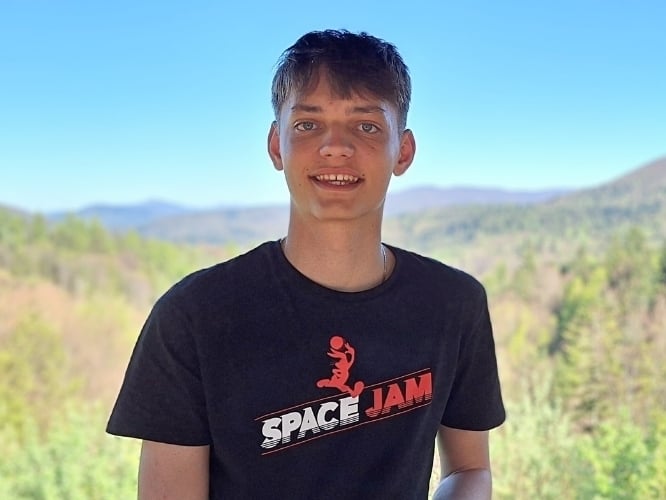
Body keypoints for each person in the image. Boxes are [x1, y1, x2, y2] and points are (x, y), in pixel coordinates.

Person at [107, 29, 505, 499]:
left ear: (403, 151)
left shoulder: (453, 303)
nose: (335, 146)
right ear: (277, 145)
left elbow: (469, 469)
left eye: (366, 126)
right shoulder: (194, 317)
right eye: (308, 125)